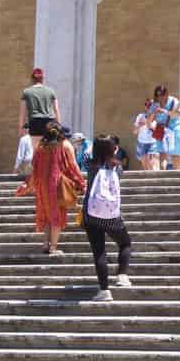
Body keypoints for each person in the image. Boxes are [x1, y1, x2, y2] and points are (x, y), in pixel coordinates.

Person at [17, 120, 86, 256]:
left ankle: (45, 244)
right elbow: (72, 167)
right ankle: (53, 248)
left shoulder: (40, 147)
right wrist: (81, 183)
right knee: (57, 215)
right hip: (56, 185)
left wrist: (28, 185)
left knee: (47, 215)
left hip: (42, 186)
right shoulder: (64, 146)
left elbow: (34, 169)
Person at [82, 136, 132, 302]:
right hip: (111, 214)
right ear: (113, 149)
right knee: (125, 243)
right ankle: (122, 275)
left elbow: (86, 158)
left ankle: (104, 291)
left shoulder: (91, 165)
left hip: (91, 214)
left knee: (99, 252)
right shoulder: (117, 167)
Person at [20, 68, 61, 151]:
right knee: (50, 150)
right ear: (42, 79)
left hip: (35, 121)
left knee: (36, 150)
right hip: (50, 122)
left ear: (32, 78)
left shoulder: (26, 92)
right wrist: (59, 127)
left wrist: (21, 128)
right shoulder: (51, 91)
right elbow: (56, 110)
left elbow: (22, 112)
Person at [150, 84, 180, 171]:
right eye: (157, 95)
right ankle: (163, 177)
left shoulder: (174, 101)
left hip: (175, 130)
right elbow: (150, 119)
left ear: (167, 94)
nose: (160, 97)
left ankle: (176, 177)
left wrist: (164, 111)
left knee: (175, 155)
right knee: (162, 154)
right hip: (162, 130)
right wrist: (153, 113)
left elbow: (177, 114)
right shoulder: (155, 104)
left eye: (162, 94)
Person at [133, 98, 160, 171]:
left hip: (153, 142)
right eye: (146, 104)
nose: (148, 106)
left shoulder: (158, 117)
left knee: (152, 164)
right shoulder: (140, 116)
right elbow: (135, 131)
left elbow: (159, 131)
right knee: (145, 166)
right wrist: (139, 126)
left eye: (150, 104)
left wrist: (148, 124)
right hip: (141, 143)